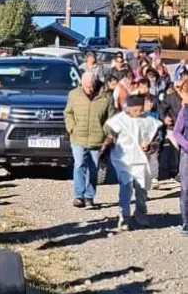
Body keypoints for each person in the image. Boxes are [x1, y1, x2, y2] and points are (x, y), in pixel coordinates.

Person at [102, 94, 161, 232]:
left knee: (141, 190)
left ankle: (141, 214)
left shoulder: (149, 121)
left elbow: (155, 142)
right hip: (124, 160)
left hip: (141, 161)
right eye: (134, 110)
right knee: (125, 189)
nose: (137, 113)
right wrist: (103, 154)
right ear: (128, 108)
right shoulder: (119, 121)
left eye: (140, 110)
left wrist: (149, 146)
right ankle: (124, 217)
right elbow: (109, 138)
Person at [64, 72, 114, 210]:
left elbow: (111, 118)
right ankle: (78, 196)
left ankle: (89, 196)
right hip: (78, 136)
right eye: (86, 87)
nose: (89, 89)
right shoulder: (74, 95)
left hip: (97, 139)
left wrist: (106, 133)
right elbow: (68, 113)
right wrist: (71, 127)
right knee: (79, 164)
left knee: (93, 169)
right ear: (81, 84)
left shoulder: (106, 96)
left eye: (91, 86)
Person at [171, 82, 188, 236]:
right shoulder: (185, 111)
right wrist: (186, 145)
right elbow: (177, 132)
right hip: (187, 155)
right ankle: (186, 222)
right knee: (186, 189)